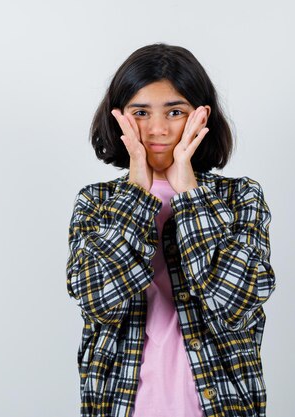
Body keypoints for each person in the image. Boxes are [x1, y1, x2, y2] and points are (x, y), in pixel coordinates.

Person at [65, 43, 277, 417]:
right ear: (119, 118)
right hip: (122, 406)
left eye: (175, 111)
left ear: (200, 116)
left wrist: (190, 193)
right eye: (141, 112)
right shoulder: (96, 203)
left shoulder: (240, 197)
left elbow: (237, 301)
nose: (158, 128)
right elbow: (96, 298)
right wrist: (135, 195)